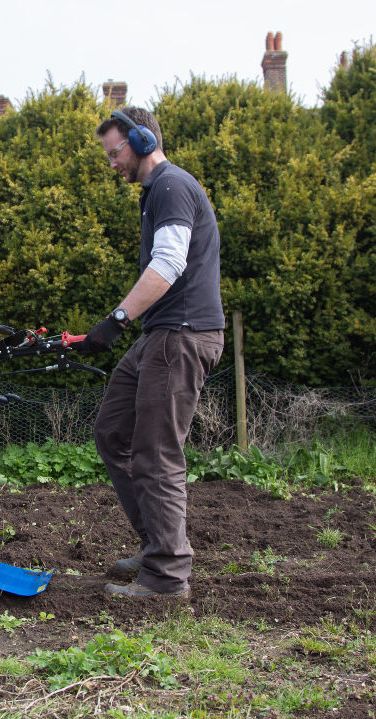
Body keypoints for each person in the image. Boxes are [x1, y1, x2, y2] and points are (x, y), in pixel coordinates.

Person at [80, 107, 225, 599]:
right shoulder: (154, 195)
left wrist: (116, 320)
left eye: (115, 152)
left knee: (157, 453)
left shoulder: (170, 185)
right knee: (113, 431)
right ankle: (158, 543)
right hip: (160, 335)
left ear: (141, 141)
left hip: (181, 335)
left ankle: (165, 578)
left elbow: (168, 262)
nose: (112, 163)